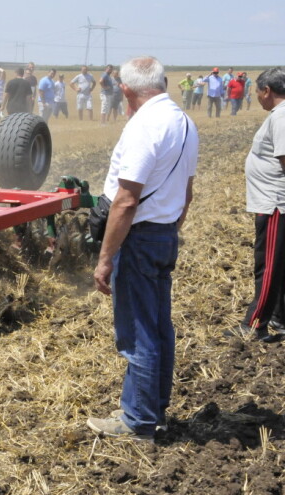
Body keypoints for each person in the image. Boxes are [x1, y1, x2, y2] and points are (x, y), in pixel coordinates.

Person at [88, 55, 199, 441]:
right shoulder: (183, 121)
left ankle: (137, 420)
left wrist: (104, 259)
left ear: (125, 90)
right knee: (158, 326)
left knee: (138, 332)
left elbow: (126, 201)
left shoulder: (144, 125)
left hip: (139, 237)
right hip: (164, 233)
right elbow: (187, 191)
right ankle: (155, 409)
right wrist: (169, 228)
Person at [226, 67, 285, 343]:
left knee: (269, 266)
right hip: (273, 202)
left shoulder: (282, 116)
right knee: (279, 265)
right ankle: (280, 317)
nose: (257, 97)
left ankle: (255, 324)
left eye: (257, 92)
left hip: (275, 204)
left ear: (267, 91)